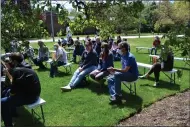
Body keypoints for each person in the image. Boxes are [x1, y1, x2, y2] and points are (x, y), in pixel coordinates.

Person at [1, 53, 41, 127]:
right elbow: (17, 85)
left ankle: (8, 125)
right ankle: (13, 113)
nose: (9, 62)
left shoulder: (17, 71)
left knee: (2, 102)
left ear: (14, 61)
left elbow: (13, 91)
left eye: (10, 60)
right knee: (6, 93)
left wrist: (8, 74)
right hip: (35, 95)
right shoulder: (27, 66)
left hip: (30, 98)